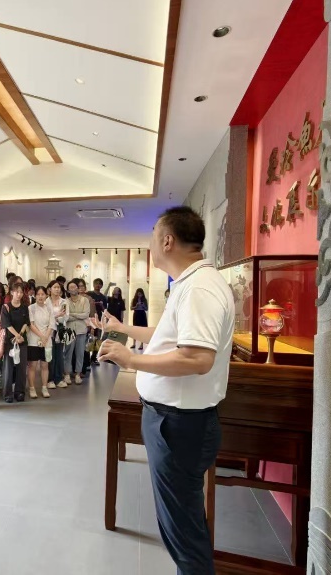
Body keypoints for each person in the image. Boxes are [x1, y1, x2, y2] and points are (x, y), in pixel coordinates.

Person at [97, 206, 233, 574]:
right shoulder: (190, 284)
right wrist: (123, 329)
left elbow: (196, 358)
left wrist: (131, 359)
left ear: (168, 241)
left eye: (152, 236)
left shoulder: (199, 288)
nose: (150, 245)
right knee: (181, 525)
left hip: (179, 425)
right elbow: (167, 336)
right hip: (175, 421)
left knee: (183, 534)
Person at [0, 281, 30, 403]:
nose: (19, 294)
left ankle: (20, 392)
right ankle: (7, 394)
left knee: (21, 367)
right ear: (12, 292)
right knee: (8, 368)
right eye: (17, 292)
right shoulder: (6, 307)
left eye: (21, 292)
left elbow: (26, 322)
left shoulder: (25, 307)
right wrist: (16, 335)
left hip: (22, 341)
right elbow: (6, 324)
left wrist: (20, 335)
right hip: (9, 341)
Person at [27, 286, 56, 398]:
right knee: (32, 366)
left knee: (45, 365)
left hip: (47, 341)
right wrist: (41, 336)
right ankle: (32, 388)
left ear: (46, 295)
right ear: (35, 296)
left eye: (42, 294)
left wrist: (46, 337)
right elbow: (31, 325)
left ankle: (44, 387)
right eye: (38, 294)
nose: (40, 296)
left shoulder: (49, 308)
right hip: (33, 341)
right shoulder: (31, 308)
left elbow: (51, 324)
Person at [63, 279, 90, 385]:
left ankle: (78, 374)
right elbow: (65, 317)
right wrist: (78, 315)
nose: (73, 289)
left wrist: (72, 314)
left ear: (78, 289)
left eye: (75, 287)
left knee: (80, 353)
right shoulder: (65, 301)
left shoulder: (85, 300)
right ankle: (67, 374)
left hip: (81, 330)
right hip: (69, 330)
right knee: (68, 353)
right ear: (68, 290)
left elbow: (86, 314)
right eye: (71, 287)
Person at [47, 280, 68, 388]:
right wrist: (57, 315)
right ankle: (50, 379)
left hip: (60, 329)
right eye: (55, 287)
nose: (57, 289)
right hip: (49, 330)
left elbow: (65, 316)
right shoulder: (46, 301)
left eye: (58, 287)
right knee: (50, 354)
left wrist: (56, 317)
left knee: (59, 354)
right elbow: (45, 317)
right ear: (50, 289)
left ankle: (59, 378)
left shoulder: (64, 301)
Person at [87, 278, 108, 366]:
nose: (98, 285)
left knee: (98, 339)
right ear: (93, 284)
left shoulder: (103, 297)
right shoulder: (89, 294)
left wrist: (101, 305)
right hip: (90, 319)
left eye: (99, 284)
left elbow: (105, 310)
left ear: (101, 286)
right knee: (89, 339)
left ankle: (94, 357)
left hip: (99, 320)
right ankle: (87, 359)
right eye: (96, 283)